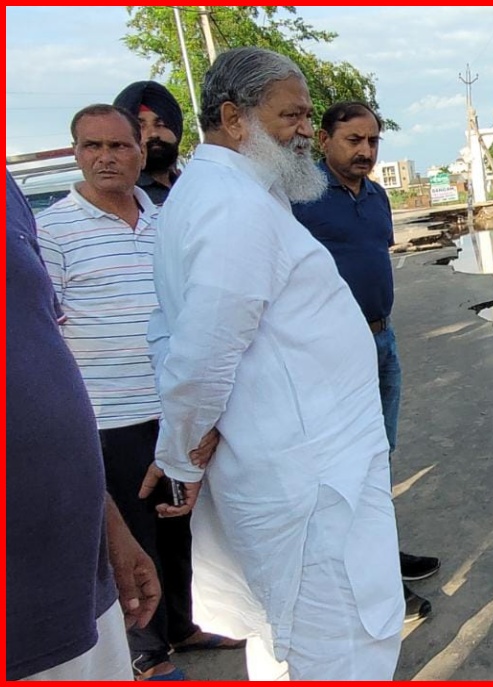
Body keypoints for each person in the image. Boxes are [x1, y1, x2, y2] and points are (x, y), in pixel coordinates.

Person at [147, 46, 404, 680]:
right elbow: (201, 349)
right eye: (291, 116)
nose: (302, 133)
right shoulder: (231, 204)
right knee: (338, 639)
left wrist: (185, 442)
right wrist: (180, 453)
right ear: (235, 119)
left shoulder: (235, 192)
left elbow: (171, 330)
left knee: (284, 635)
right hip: (311, 480)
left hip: (307, 463)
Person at [34, 104, 242, 681]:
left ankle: (185, 622)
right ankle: (145, 649)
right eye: (92, 147)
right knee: (129, 537)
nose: (107, 157)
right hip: (107, 417)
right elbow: (42, 332)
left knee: (182, 526)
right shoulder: (52, 233)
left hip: (174, 408)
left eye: (120, 146)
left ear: (139, 150)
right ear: (76, 153)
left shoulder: (166, 221)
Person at [7, 168, 161, 681]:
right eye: (92, 145)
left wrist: (107, 527)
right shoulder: (59, 227)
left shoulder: (8, 193)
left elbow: (39, 344)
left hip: (76, 589)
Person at [291, 101, 440, 621]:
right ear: (325, 140)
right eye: (353, 139)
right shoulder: (299, 196)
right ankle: (370, 585)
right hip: (330, 354)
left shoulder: (376, 196)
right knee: (344, 467)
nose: (365, 150)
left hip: (382, 341)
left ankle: (382, 556)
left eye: (373, 141)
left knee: (379, 462)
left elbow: (374, 257)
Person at [113, 81, 183, 205]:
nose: (153, 134)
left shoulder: (191, 185)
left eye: (161, 124)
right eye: (140, 126)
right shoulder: (119, 196)